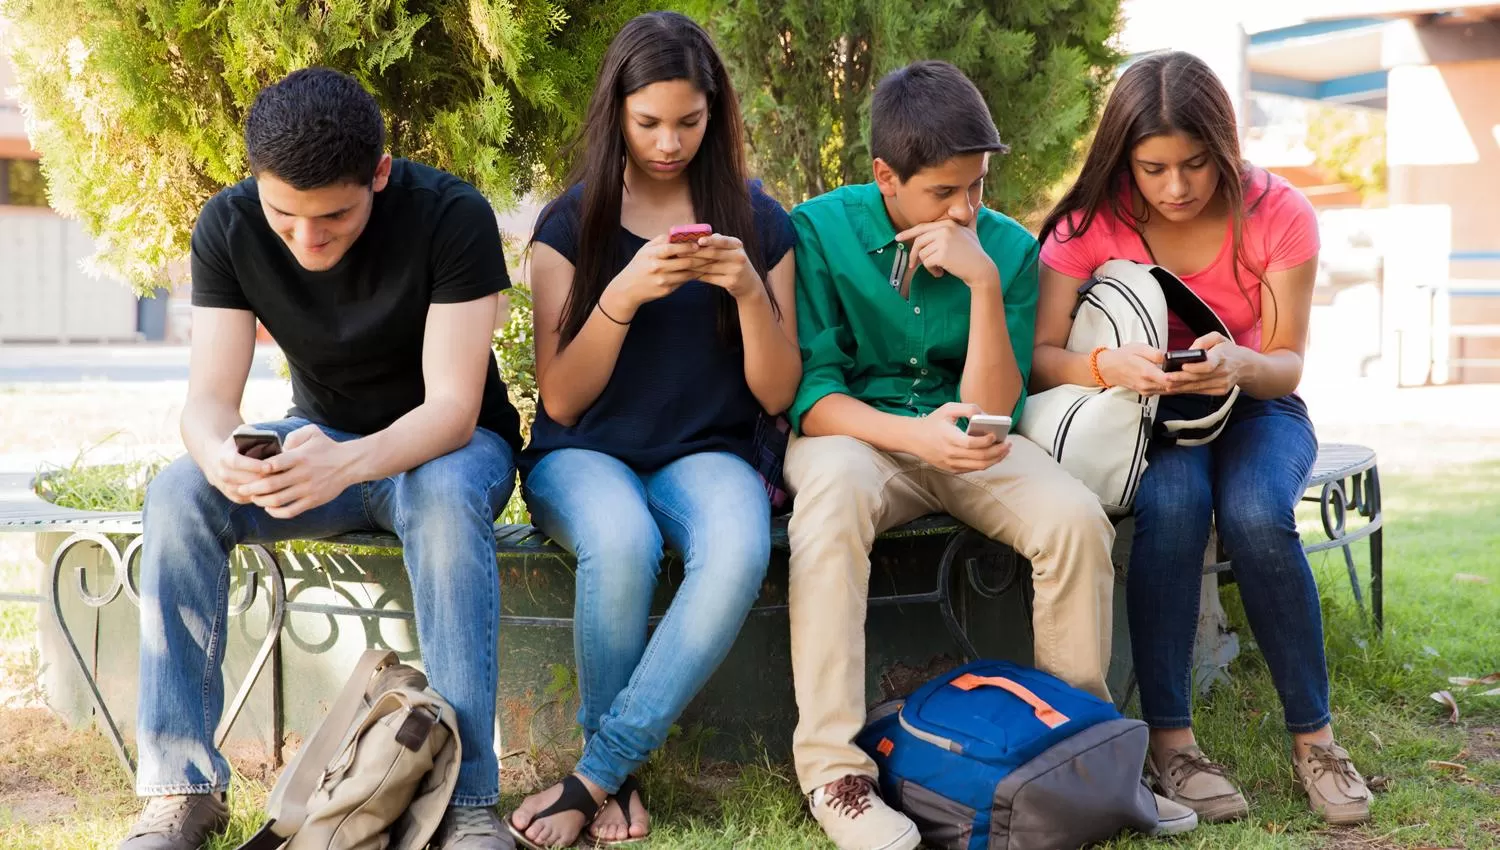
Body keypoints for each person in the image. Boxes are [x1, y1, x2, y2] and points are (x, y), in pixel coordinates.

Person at [783, 60, 1195, 850]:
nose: (966, 208)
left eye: (976, 186)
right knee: (829, 505)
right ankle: (837, 775)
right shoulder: (820, 230)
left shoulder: (1001, 247)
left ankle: (1082, 758)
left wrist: (977, 285)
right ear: (884, 177)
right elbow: (813, 398)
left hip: (976, 441)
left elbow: (995, 407)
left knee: (1075, 519)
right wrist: (912, 436)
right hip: (858, 439)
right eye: (943, 192)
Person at [119, 68, 523, 850]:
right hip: (324, 443)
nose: (308, 239)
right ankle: (183, 792)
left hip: (449, 452)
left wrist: (346, 465)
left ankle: (469, 803)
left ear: (379, 173)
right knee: (178, 493)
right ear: (256, 184)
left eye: (334, 216)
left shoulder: (452, 217)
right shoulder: (229, 226)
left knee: (440, 499)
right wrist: (219, 455)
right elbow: (208, 400)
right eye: (285, 215)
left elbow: (451, 410)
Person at [1032, 51, 1372, 826]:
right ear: (1125, 158)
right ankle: (1172, 744)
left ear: (1223, 148)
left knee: (1256, 512)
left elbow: (1286, 366)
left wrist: (1239, 364)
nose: (1177, 187)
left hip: (1255, 406)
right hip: (1145, 419)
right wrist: (1106, 364)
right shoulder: (1088, 223)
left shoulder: (1278, 212)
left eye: (1195, 165)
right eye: (1153, 168)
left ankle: (1315, 741)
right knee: (1177, 507)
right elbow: (1043, 362)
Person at [504, 12, 800, 849]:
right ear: (617, 115)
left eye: (688, 122)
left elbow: (778, 389)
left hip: (710, 451)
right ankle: (615, 776)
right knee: (623, 542)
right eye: (648, 123)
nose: (668, 142)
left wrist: (749, 292)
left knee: (739, 548)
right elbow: (562, 399)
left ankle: (597, 775)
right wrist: (623, 295)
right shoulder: (572, 225)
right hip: (584, 454)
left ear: (715, 116)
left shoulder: (758, 219)